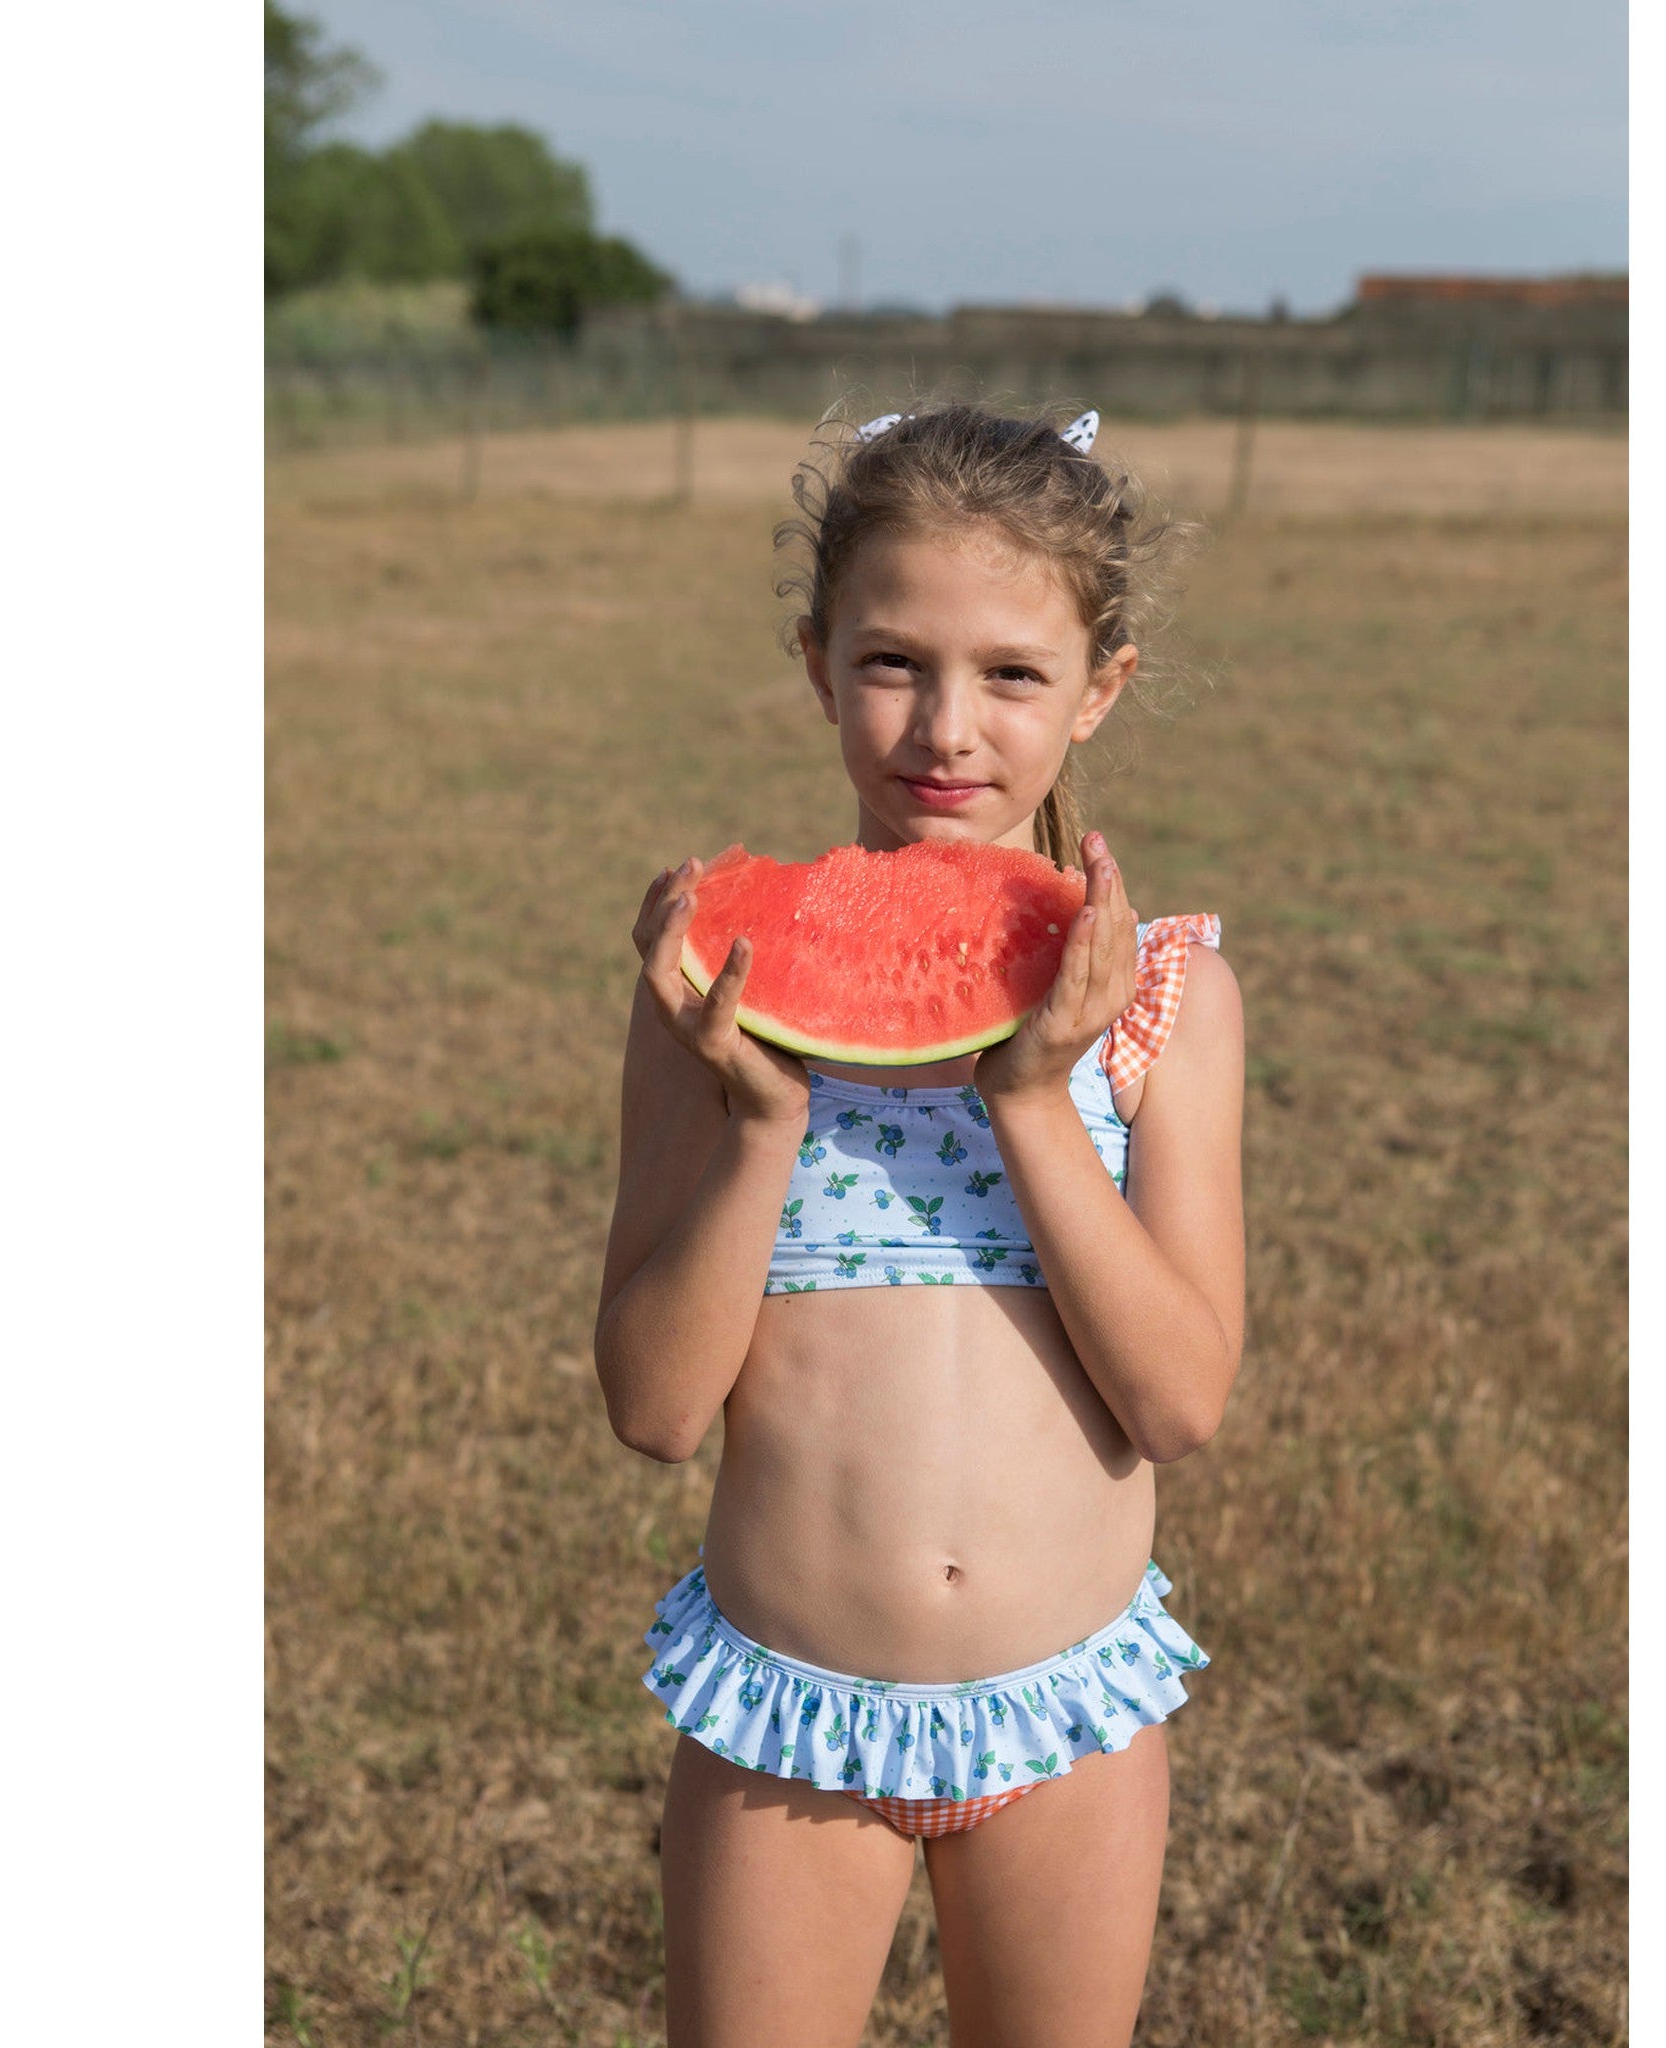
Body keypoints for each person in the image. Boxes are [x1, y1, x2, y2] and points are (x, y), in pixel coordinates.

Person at [593, 401, 1246, 2047]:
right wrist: (761, 1120)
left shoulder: (1168, 994)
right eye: (893, 661)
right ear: (818, 661)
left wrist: (1033, 1104)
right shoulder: (713, 990)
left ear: (1102, 687)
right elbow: (657, 1412)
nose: (946, 728)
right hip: (789, 1725)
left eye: (1014, 674)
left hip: (1070, 1719)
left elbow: (1179, 1402)